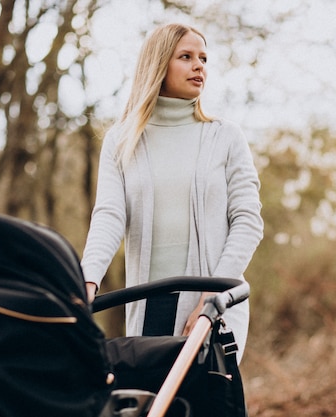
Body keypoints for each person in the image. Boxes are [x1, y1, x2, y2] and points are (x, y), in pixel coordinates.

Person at [80, 22, 263, 362]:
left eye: (204, 58)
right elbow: (109, 216)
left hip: (214, 304)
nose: (199, 66)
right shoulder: (121, 140)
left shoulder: (226, 137)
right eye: (187, 56)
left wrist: (210, 299)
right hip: (148, 304)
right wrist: (87, 280)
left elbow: (248, 222)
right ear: (159, 63)